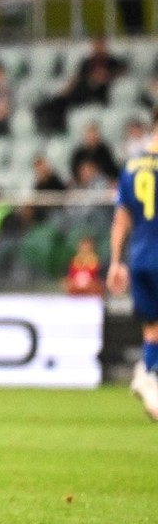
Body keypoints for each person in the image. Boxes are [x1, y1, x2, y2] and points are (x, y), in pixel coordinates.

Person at [109, 126, 158, 420]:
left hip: (139, 257)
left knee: (152, 329)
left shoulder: (131, 165)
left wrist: (116, 262)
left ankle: (148, 375)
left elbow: (120, 219)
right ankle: (146, 373)